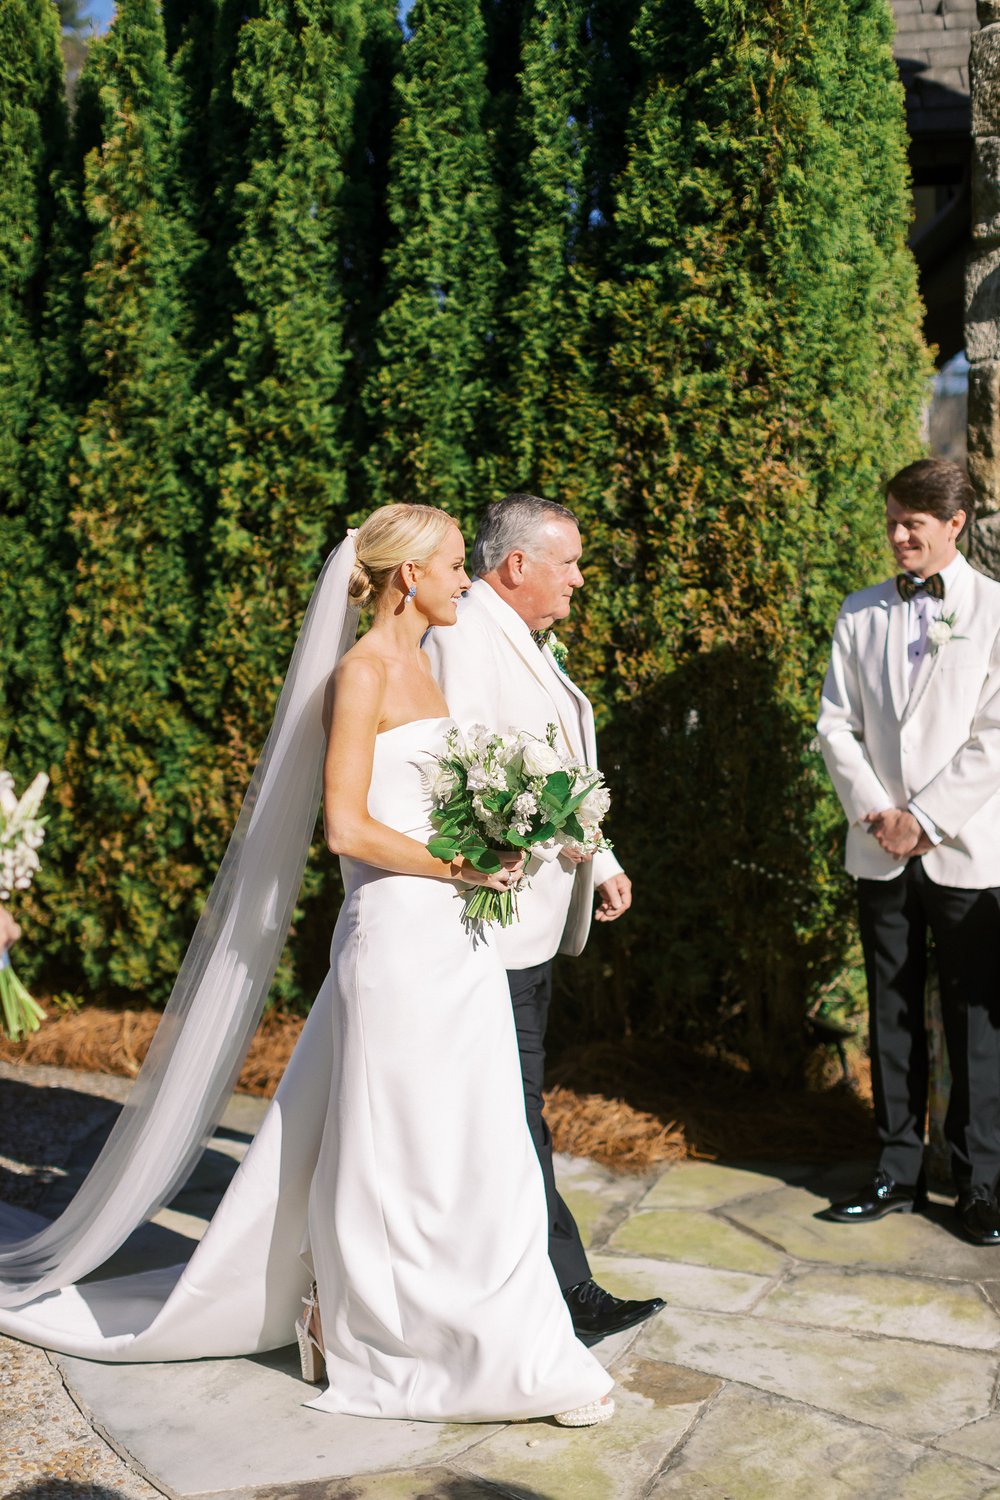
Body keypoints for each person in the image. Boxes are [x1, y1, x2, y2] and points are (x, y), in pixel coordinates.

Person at [0, 504, 614, 1426]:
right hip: (397, 942)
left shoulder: (426, 672)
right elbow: (348, 828)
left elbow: (431, 802)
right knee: (395, 1151)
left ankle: (496, 1336)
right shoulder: (362, 674)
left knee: (471, 1148)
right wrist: (463, 864)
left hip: (458, 943)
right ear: (409, 577)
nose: (464, 580)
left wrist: (507, 835)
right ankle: (376, 1334)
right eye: (453, 567)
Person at [424, 494, 665, 1342]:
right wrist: (523, 848)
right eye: (567, 562)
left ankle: (527, 1288)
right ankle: (563, 1295)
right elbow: (454, 779)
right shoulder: (458, 637)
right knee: (515, 1109)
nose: (579, 576)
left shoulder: (521, 636)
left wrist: (603, 860)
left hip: (532, 920)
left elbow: (554, 769)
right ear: (516, 565)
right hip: (487, 922)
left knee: (511, 1107)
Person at [817, 458, 1000, 1245]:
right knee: (893, 1012)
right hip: (880, 849)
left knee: (977, 1023)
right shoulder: (858, 615)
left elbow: (996, 734)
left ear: (953, 525)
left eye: (912, 525)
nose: (896, 537)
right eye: (891, 521)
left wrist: (924, 819)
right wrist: (879, 814)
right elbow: (835, 724)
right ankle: (897, 1168)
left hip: (966, 849)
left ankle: (982, 1181)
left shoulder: (995, 611)